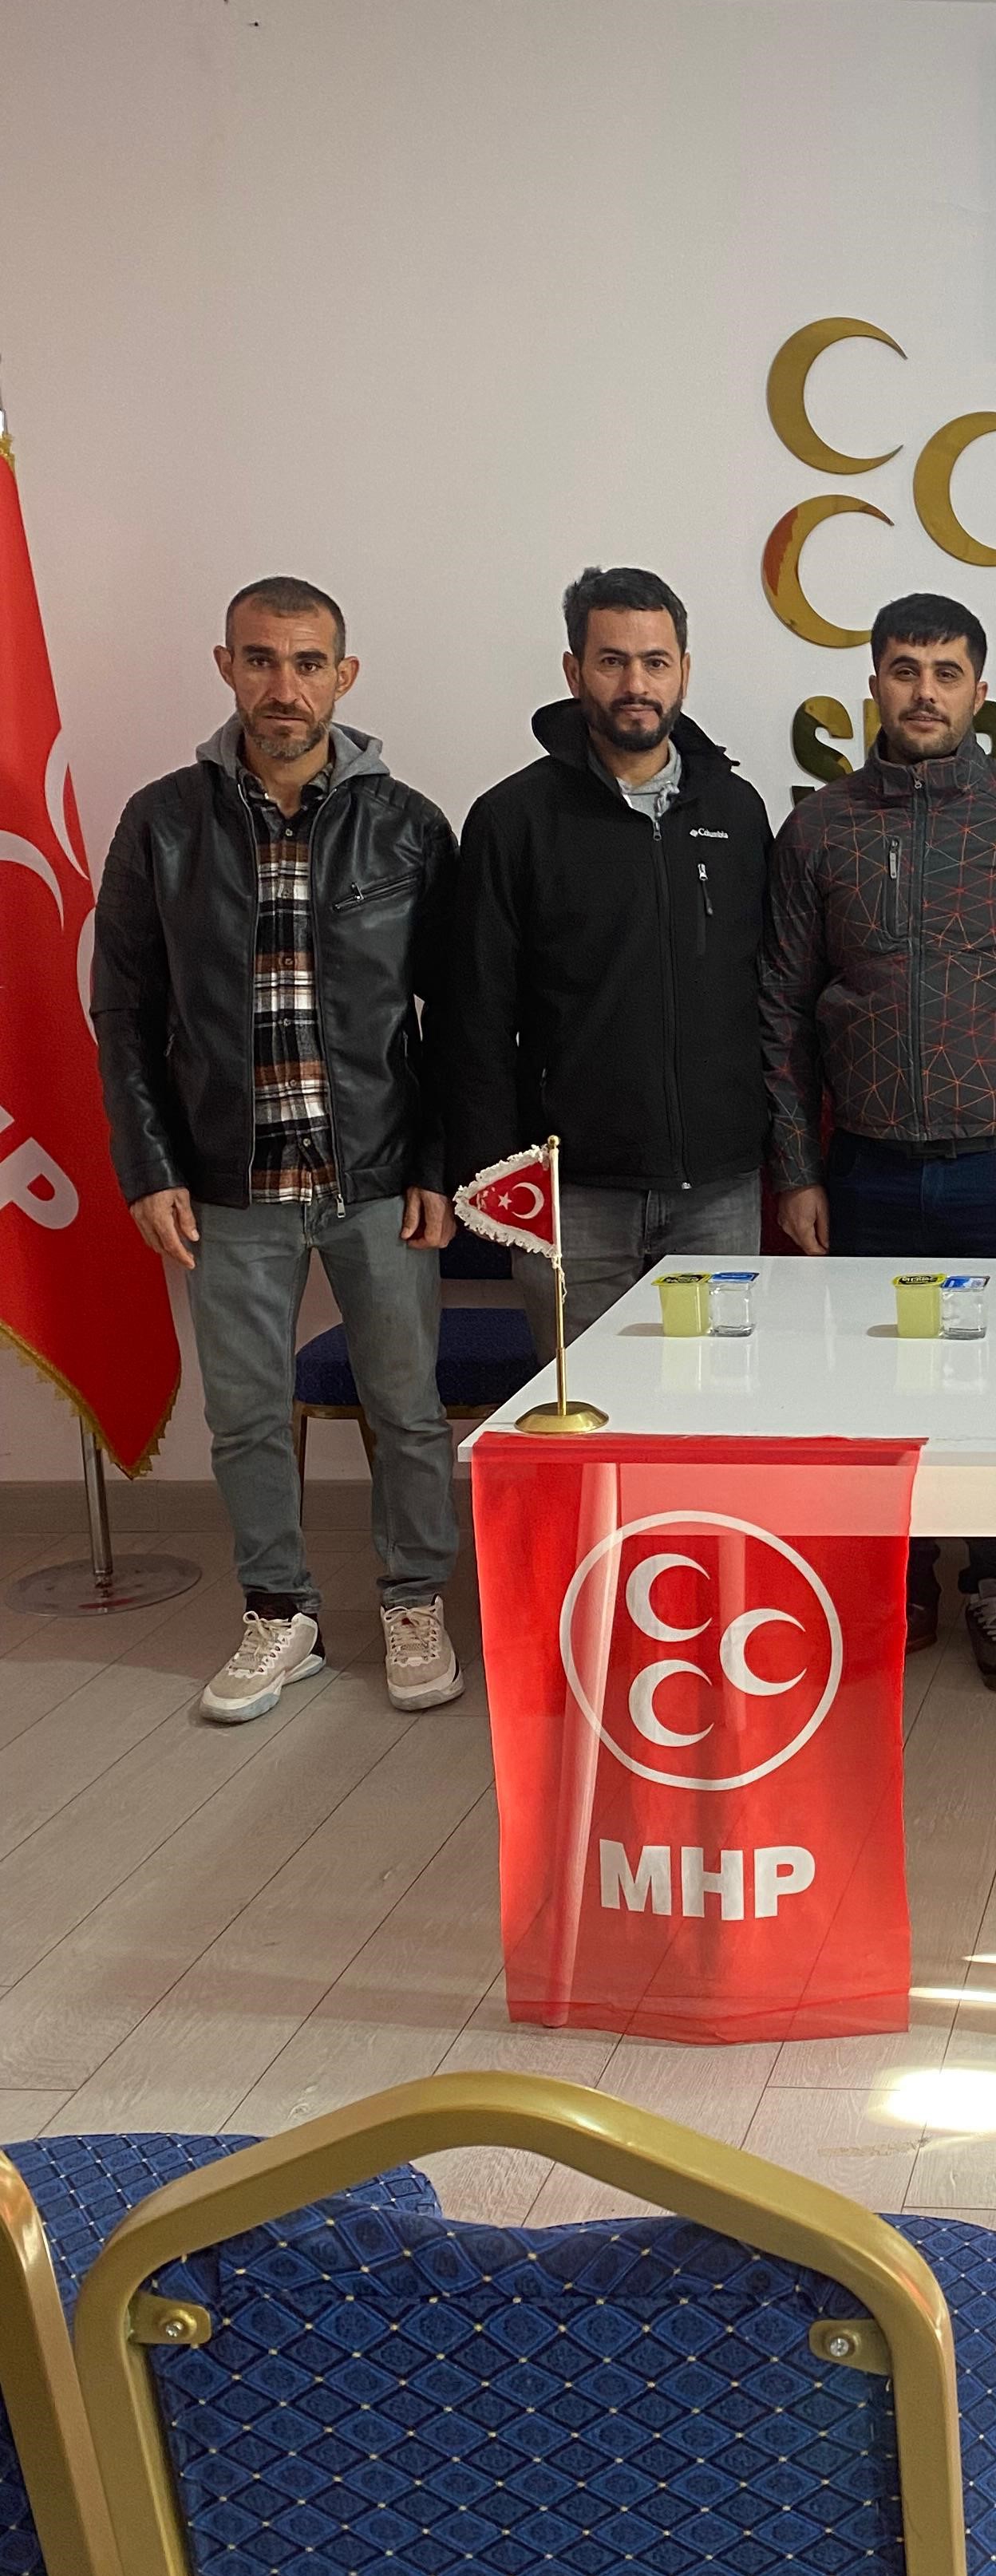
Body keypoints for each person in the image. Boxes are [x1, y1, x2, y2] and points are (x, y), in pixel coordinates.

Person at [94, 577, 462, 1724]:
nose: (284, 687)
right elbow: (124, 1010)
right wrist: (149, 1165)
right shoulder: (162, 822)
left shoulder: (408, 825)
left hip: (377, 1175)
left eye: (308, 663)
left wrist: (437, 1165)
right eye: (260, 660)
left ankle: (415, 1600)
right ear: (227, 668)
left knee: (407, 1407)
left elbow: (455, 1014)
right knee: (247, 1415)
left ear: (344, 676)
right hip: (226, 1179)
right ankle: (278, 1612)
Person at [762, 593, 996, 1692]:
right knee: (883, 1388)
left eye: (947, 672)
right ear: (874, 682)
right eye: (906, 669)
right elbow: (781, 1012)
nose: (926, 691)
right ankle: (905, 1573)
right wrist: (798, 1170)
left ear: (980, 690)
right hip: (868, 1165)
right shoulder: (819, 829)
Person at [448, 566, 772, 1353]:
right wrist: (498, 1175)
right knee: (584, 1411)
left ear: (684, 671)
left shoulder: (737, 811)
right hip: (572, 1196)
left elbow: (770, 991)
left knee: (715, 1409)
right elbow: (475, 1012)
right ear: (574, 671)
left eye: (656, 662)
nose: (636, 685)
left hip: (718, 1194)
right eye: (612, 661)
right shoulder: (513, 819)